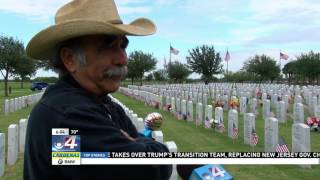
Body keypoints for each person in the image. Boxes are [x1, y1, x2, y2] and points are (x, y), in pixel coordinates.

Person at [24, 0, 172, 179]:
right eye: (109, 46)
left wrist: (138, 144)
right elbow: (148, 171)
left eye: (122, 46)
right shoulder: (68, 119)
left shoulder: (105, 104)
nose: (122, 59)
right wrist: (141, 144)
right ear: (70, 59)